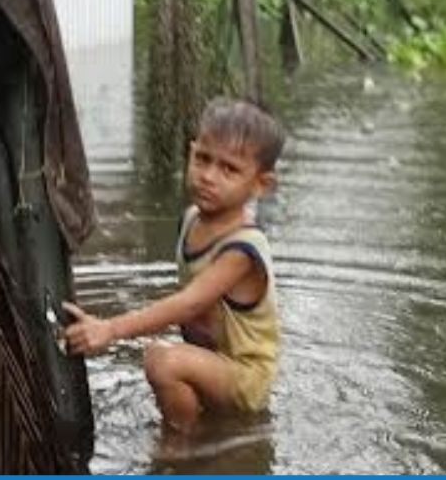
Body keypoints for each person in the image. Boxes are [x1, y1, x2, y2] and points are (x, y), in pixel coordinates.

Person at [64, 97, 286, 433]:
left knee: (162, 359)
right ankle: (201, 427)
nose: (209, 176)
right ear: (191, 151)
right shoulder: (192, 218)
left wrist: (109, 329)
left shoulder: (241, 249)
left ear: (261, 184)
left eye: (229, 169)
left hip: (244, 375)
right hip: (212, 361)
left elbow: (190, 302)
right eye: (202, 159)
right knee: (165, 355)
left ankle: (182, 448)